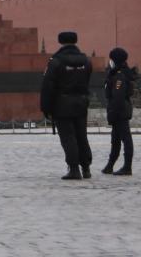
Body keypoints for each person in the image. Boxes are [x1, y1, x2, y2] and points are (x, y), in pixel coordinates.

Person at [40, 30, 93, 180]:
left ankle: (74, 169)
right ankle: (86, 168)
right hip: (81, 103)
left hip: (62, 104)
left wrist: (45, 107)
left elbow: (48, 86)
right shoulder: (86, 61)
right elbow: (88, 81)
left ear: (60, 41)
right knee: (81, 135)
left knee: (68, 137)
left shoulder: (56, 61)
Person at [101, 47, 134, 176]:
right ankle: (110, 165)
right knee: (115, 140)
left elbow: (118, 97)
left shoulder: (119, 75)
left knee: (126, 139)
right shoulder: (117, 73)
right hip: (118, 110)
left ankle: (127, 167)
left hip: (119, 111)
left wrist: (113, 113)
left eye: (111, 59)